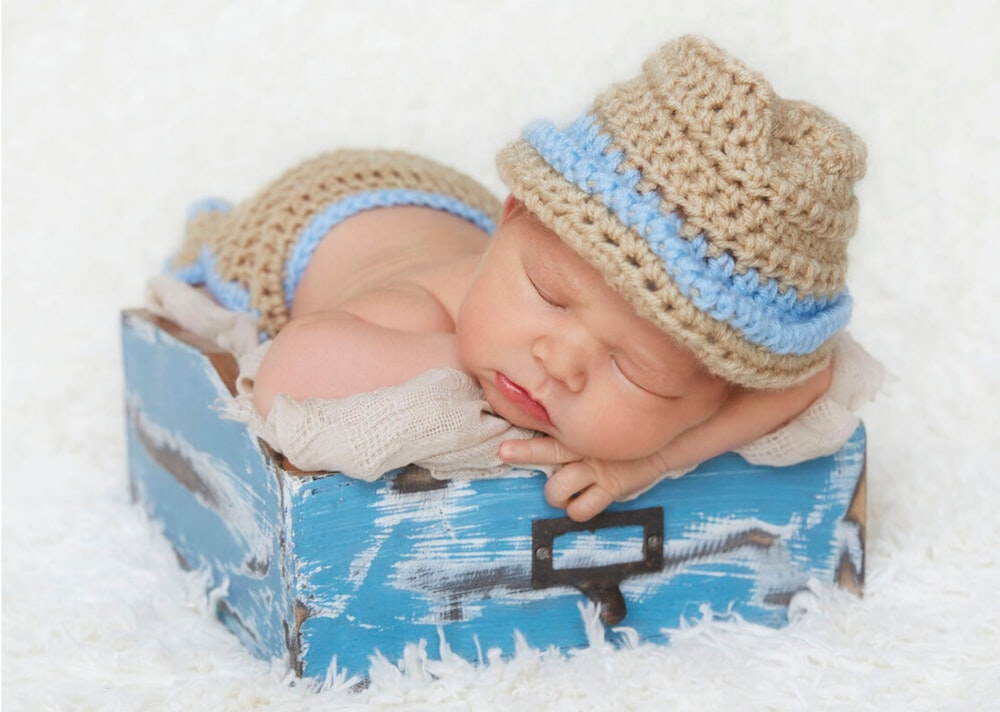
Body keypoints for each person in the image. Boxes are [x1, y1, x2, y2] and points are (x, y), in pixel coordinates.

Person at [166, 36, 874, 521]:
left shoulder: (564, 281)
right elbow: (289, 373)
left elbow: (811, 375)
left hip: (461, 224)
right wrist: (472, 374)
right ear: (515, 216)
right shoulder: (413, 312)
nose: (559, 361)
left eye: (637, 370)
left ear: (721, 383)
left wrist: (656, 459)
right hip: (322, 213)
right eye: (549, 294)